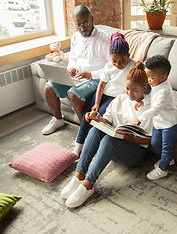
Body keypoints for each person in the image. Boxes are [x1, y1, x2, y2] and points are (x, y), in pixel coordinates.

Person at [60, 62, 153, 208]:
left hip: (135, 152)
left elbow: (149, 141)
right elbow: (107, 120)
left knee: (110, 139)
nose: (129, 93)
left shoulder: (149, 108)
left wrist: (133, 139)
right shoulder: (120, 99)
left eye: (134, 90)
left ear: (144, 89)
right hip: (113, 145)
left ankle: (88, 185)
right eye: (127, 88)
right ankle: (79, 174)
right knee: (96, 129)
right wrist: (97, 117)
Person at [42, 5, 110, 135]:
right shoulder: (75, 37)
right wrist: (71, 69)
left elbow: (111, 67)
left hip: (96, 79)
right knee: (48, 88)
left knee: (74, 94)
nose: (83, 28)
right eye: (78, 25)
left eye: (86, 23)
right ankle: (57, 119)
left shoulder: (104, 39)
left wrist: (91, 74)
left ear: (92, 19)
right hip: (77, 77)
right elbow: (72, 58)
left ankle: (85, 131)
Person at [72, 32, 136, 154]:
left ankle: (91, 145)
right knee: (88, 112)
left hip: (115, 98)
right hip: (104, 94)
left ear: (128, 55)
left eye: (122, 60)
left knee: (97, 116)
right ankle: (79, 143)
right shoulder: (108, 66)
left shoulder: (134, 64)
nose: (118, 65)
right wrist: (96, 102)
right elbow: (101, 85)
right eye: (114, 61)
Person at [132, 54, 177, 180]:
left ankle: (163, 169)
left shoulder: (165, 91)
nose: (148, 80)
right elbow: (152, 98)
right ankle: (168, 160)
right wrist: (143, 101)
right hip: (159, 122)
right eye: (148, 76)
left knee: (166, 147)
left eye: (151, 77)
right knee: (154, 142)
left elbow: (156, 109)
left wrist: (139, 119)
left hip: (170, 124)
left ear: (163, 77)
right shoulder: (157, 85)